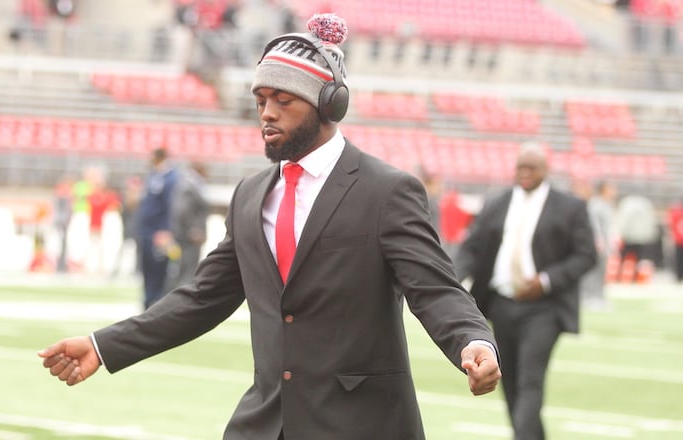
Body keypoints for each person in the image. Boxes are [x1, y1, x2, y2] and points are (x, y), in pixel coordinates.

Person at [38, 13, 501, 440]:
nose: (267, 113)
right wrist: (103, 345)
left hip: (362, 424)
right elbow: (201, 298)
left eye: (284, 100)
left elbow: (435, 288)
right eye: (261, 100)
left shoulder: (387, 190)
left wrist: (473, 340)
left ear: (328, 105)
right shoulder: (249, 195)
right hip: (264, 423)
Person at [454, 142, 597, 440]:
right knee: (510, 384)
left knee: (530, 379)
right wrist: (452, 278)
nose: (525, 173)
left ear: (546, 170)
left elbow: (586, 255)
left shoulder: (569, 207)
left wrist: (547, 280)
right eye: (520, 167)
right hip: (502, 304)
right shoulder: (498, 202)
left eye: (531, 167)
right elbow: (473, 247)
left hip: (544, 307)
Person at [137, 147, 180, 309]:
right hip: (147, 230)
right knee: (147, 267)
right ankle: (148, 302)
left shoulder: (172, 178)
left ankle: (158, 303)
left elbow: (171, 206)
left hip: (159, 232)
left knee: (159, 269)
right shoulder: (154, 176)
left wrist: (166, 230)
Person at [165, 161, 210, 291]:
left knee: (183, 270)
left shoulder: (187, 184)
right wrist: (193, 229)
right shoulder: (190, 186)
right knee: (186, 271)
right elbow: (183, 210)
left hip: (184, 236)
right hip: (188, 237)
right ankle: (178, 303)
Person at [580, 180, 618, 310]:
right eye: (611, 189)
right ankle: (589, 297)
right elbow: (593, 225)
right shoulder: (596, 204)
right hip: (597, 244)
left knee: (602, 272)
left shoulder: (607, 205)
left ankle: (599, 296)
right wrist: (597, 240)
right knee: (593, 272)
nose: (614, 192)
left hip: (606, 245)